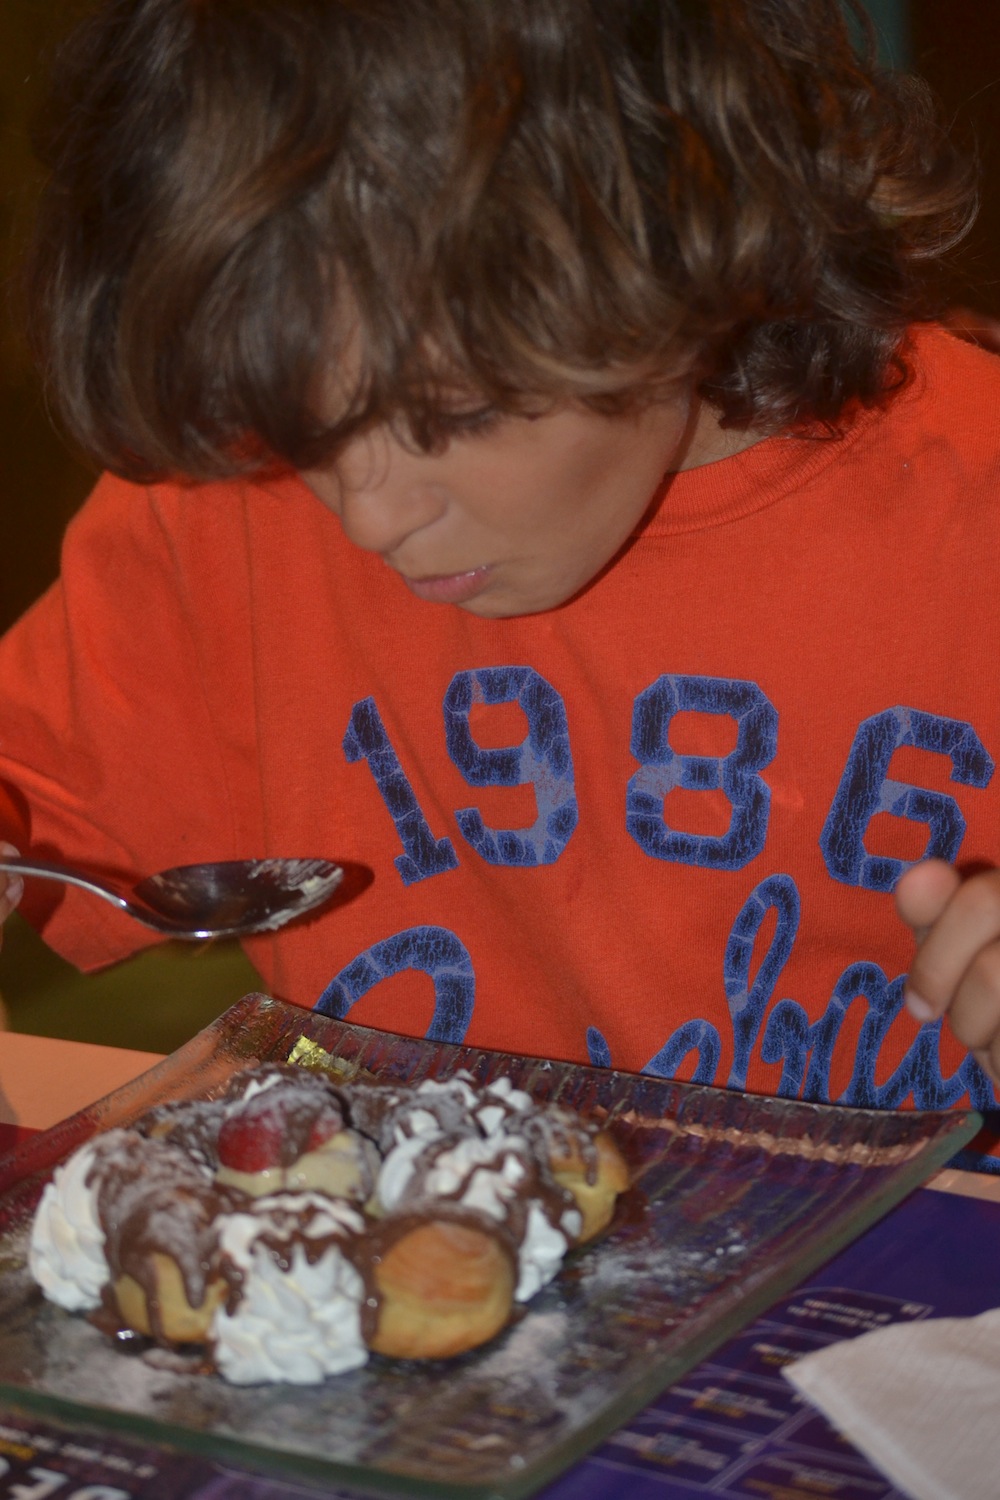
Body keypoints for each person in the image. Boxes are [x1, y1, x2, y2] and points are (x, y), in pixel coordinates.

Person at [5, 0, 1000, 1156]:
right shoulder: (221, 512)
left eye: (458, 413)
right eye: (295, 420)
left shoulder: (967, 517)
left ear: (689, 236)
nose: (369, 514)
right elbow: (36, 812)